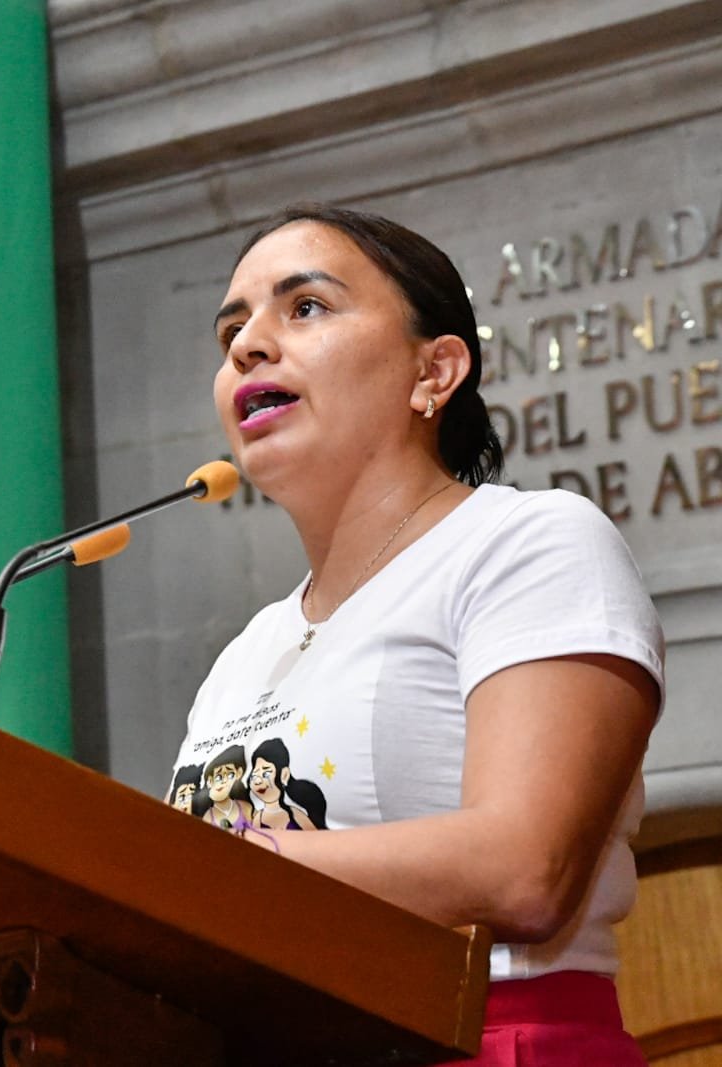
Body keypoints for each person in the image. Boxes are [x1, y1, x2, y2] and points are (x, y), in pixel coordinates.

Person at [169, 204, 663, 1064]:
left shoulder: (527, 542)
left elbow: (526, 866)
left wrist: (213, 865)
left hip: (492, 1035)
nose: (249, 343)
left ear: (435, 371)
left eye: (306, 307)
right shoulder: (244, 655)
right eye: (231, 330)